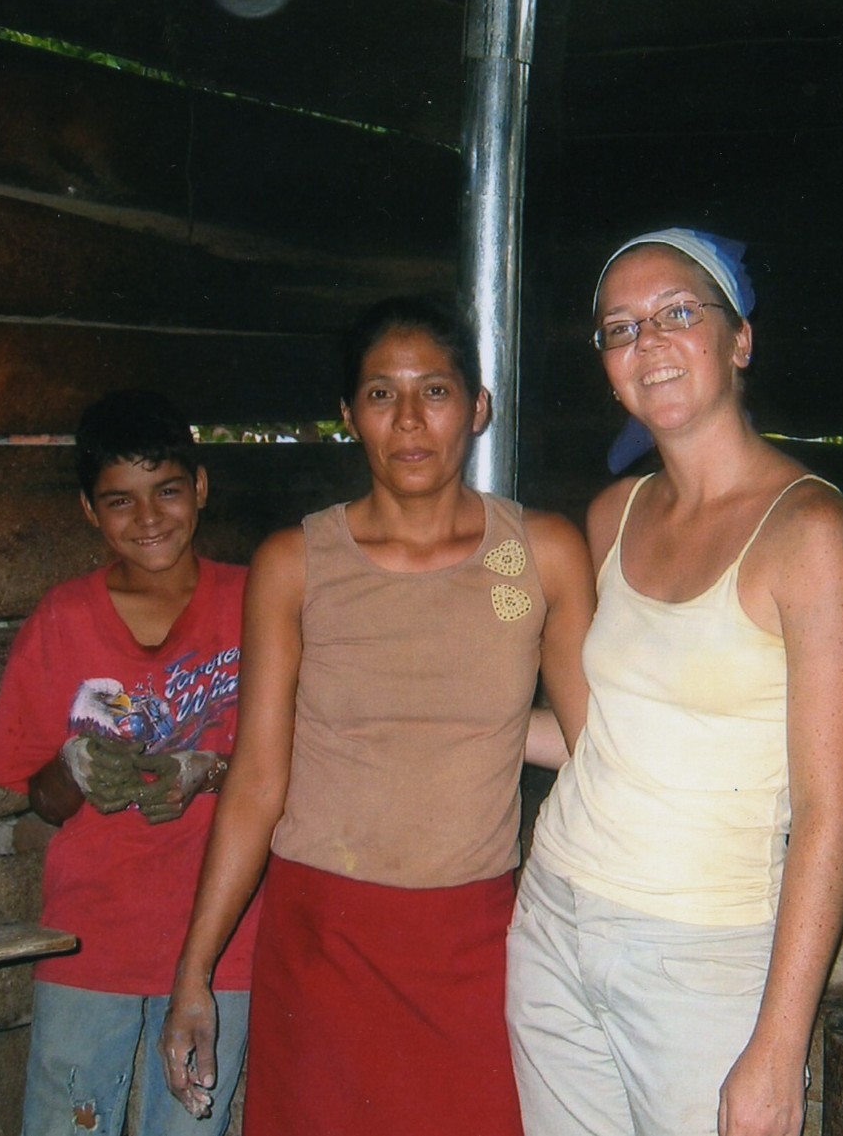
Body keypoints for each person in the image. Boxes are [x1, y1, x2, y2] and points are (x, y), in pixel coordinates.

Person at [159, 296, 594, 1136]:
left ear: (478, 407)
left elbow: (592, 748)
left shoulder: (531, 554)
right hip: (325, 939)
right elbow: (255, 779)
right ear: (348, 416)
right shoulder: (299, 563)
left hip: (472, 937)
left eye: (433, 391)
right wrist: (195, 969)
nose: (409, 421)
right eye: (381, 394)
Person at [507, 229, 843, 1136]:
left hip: (702, 955)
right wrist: (451, 714)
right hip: (553, 913)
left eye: (677, 313)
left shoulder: (810, 530)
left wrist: (777, 1043)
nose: (648, 343)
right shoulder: (611, 513)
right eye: (620, 328)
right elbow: (601, 737)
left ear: (738, 339)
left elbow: (829, 814)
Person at [0, 389, 258, 1136]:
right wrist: (72, 765)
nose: (149, 518)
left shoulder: (257, 601)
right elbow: (37, 795)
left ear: (199, 487)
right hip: (90, 937)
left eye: (166, 490)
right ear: (88, 510)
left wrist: (209, 767)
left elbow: (292, 762)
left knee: (192, 1124)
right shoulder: (62, 619)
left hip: (224, 936)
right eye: (120, 501)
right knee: (69, 1121)